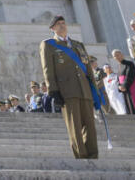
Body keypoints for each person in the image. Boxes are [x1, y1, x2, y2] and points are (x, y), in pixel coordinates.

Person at [40, 15, 98, 159]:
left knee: (90, 125)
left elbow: (88, 69)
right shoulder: (49, 45)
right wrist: (53, 90)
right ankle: (81, 156)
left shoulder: (78, 45)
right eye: (58, 24)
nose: (62, 26)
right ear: (52, 28)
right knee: (75, 126)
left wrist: (94, 90)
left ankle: (93, 155)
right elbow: (48, 69)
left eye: (63, 23)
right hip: (67, 91)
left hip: (85, 90)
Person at [113, 48, 135, 115]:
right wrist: (119, 86)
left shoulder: (129, 63)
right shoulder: (119, 66)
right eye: (115, 56)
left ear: (122, 55)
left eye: (118, 55)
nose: (117, 57)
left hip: (131, 86)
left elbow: (130, 75)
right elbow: (118, 78)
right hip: (124, 89)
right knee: (129, 105)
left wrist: (124, 85)